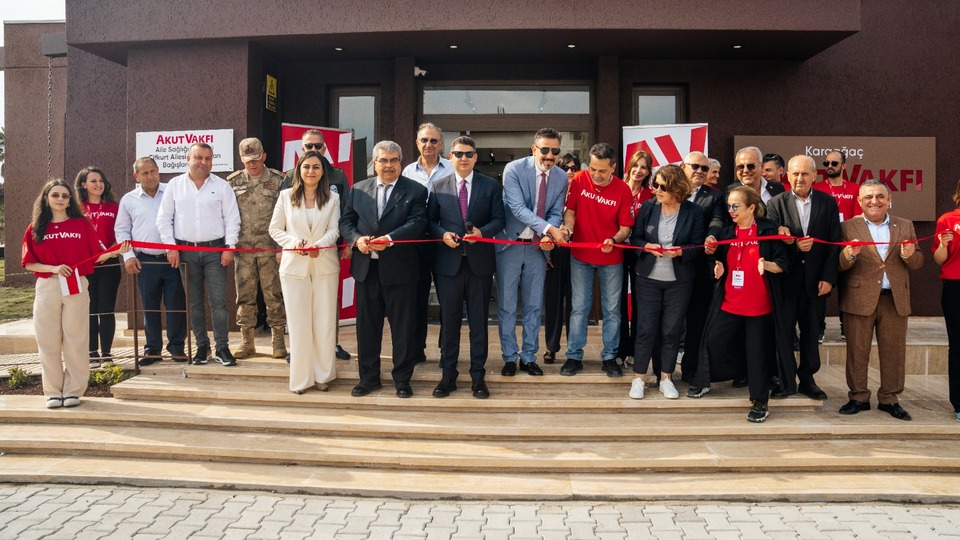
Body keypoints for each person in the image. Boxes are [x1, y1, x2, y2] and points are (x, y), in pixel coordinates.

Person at [22, 179, 129, 409]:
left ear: (70, 199)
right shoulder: (35, 228)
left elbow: (96, 255)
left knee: (76, 338)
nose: (61, 199)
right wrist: (52, 268)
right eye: (55, 195)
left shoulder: (82, 225)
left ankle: (73, 390)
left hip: (76, 284)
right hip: (48, 285)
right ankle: (52, 391)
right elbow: (30, 263)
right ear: (46, 199)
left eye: (65, 195)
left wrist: (115, 252)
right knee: (48, 340)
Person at [691, 186, 791, 423]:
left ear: (752, 208)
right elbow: (716, 260)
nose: (731, 210)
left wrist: (766, 266)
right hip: (729, 303)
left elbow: (783, 264)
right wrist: (718, 267)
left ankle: (759, 401)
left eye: (736, 206)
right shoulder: (727, 233)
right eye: (729, 206)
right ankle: (709, 380)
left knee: (757, 355)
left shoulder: (768, 231)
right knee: (712, 341)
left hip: (759, 307)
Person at [340, 140, 428, 398]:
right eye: (383, 160)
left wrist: (389, 240)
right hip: (367, 270)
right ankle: (368, 378)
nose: (388, 165)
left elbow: (418, 221)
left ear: (400, 163)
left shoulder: (416, 190)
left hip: (400, 270)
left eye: (394, 160)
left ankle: (402, 379)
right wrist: (356, 239)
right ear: (374, 163)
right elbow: (346, 221)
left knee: (403, 328)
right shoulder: (358, 189)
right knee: (367, 328)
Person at [426, 136, 505, 399]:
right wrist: (442, 235)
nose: (463, 158)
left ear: (475, 157)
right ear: (450, 156)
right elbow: (430, 222)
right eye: (458, 154)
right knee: (449, 323)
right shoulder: (438, 186)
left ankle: (478, 377)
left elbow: (499, 219)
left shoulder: (491, 186)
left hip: (479, 265)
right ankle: (448, 375)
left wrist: (482, 232)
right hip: (448, 265)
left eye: (468, 154)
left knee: (479, 323)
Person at [838, 179, 923, 421]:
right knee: (857, 351)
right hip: (859, 297)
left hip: (894, 299)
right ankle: (858, 397)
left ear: (889, 200)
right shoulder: (847, 227)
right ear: (859, 201)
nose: (874, 201)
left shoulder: (905, 225)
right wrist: (847, 255)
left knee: (894, 351)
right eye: (868, 197)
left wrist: (909, 255)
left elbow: (917, 261)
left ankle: (889, 399)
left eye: (879, 196)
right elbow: (838, 264)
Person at [157, 143, 242, 366]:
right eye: (199, 157)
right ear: (188, 158)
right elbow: (164, 219)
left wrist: (229, 246)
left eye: (208, 158)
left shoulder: (222, 186)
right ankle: (201, 346)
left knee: (219, 303)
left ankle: (222, 348)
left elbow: (232, 219)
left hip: (216, 252)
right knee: (194, 303)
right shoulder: (175, 185)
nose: (203, 162)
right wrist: (171, 247)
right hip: (187, 253)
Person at [766, 155, 841, 400]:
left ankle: (808, 380)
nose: (800, 178)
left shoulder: (828, 203)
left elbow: (834, 243)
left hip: (815, 282)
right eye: (795, 173)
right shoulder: (775, 204)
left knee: (811, 333)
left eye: (805, 173)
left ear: (814, 176)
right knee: (783, 333)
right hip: (785, 281)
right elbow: (771, 246)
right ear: (787, 175)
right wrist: (791, 244)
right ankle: (784, 380)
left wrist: (829, 278)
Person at [496, 128, 569, 377]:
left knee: (534, 306)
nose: (550, 155)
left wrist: (549, 234)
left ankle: (528, 357)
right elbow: (517, 208)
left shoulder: (560, 177)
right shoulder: (514, 169)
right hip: (510, 245)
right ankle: (508, 357)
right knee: (507, 305)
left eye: (555, 151)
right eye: (545, 149)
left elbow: (557, 211)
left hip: (539, 249)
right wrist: (549, 228)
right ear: (534, 148)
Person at [628, 164, 704, 399]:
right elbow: (636, 238)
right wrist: (646, 246)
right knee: (645, 329)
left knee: (671, 331)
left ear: (676, 188)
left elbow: (698, 244)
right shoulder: (649, 207)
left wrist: (681, 252)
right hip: (648, 278)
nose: (656, 190)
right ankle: (639, 378)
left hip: (679, 281)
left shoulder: (694, 212)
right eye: (655, 185)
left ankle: (666, 378)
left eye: (662, 186)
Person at [270, 150, 341, 394]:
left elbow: (334, 230)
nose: (311, 171)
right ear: (298, 170)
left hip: (324, 265)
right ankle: (301, 379)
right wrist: (294, 243)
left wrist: (317, 246)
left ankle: (323, 375)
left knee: (324, 322)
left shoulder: (332, 198)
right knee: (299, 324)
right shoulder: (285, 197)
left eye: (316, 167)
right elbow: (275, 229)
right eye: (306, 167)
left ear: (323, 172)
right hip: (294, 268)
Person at [561, 143, 634, 378]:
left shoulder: (623, 190)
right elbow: (570, 210)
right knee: (579, 308)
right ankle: (574, 356)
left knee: (612, 310)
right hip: (581, 256)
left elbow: (625, 228)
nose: (596, 175)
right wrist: (569, 228)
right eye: (593, 169)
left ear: (613, 167)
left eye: (602, 170)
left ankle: (610, 357)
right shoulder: (580, 179)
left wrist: (613, 239)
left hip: (611, 258)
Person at [281, 129, 352, 362]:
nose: (313, 150)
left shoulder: (339, 176)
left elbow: (345, 214)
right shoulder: (290, 176)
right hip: (297, 252)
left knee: (327, 303)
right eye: (308, 147)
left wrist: (347, 243)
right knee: (298, 304)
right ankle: (299, 349)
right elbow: (283, 218)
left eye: (318, 146)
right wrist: (285, 248)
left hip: (330, 249)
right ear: (302, 150)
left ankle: (331, 345)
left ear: (325, 149)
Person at [115, 157, 187, 364]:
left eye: (153, 171)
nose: (151, 176)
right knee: (150, 306)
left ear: (158, 171)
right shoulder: (129, 199)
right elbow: (121, 230)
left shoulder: (172, 193)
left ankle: (176, 347)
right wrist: (128, 256)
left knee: (176, 304)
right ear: (136, 176)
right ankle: (152, 349)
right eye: (145, 173)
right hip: (145, 261)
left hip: (172, 258)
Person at [227, 138, 287, 359]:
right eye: (247, 160)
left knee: (273, 295)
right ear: (241, 159)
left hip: (270, 250)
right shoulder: (232, 182)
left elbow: (286, 216)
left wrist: (282, 246)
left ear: (263, 156)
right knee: (245, 296)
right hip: (243, 252)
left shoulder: (279, 180)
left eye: (255, 159)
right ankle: (247, 340)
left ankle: (278, 340)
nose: (252, 164)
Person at [402, 123, 453, 365]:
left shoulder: (453, 169)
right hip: (416, 245)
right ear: (417, 143)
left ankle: (446, 350)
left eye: (434, 141)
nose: (429, 145)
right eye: (424, 140)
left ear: (441, 144)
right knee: (417, 299)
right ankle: (417, 348)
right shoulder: (406, 172)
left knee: (447, 300)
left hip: (446, 244)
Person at [73, 166, 121, 366]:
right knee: (90, 309)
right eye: (93, 181)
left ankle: (107, 353)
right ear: (83, 184)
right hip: (85, 265)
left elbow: (121, 233)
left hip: (109, 263)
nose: (98, 184)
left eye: (101, 180)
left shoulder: (113, 207)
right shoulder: (75, 208)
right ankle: (92, 353)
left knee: (106, 309)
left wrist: (108, 253)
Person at [681, 152, 721, 383]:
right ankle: (661, 371)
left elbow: (717, 220)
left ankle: (691, 370)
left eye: (704, 168)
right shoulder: (670, 190)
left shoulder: (715, 197)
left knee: (696, 323)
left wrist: (712, 236)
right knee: (669, 322)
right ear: (683, 166)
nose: (699, 171)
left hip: (699, 270)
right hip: (672, 267)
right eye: (695, 166)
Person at [813, 149, 861, 342]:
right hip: (824, 246)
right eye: (826, 164)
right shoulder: (816, 188)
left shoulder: (854, 189)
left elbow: (858, 218)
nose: (829, 167)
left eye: (834, 163)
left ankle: (845, 327)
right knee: (820, 288)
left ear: (844, 166)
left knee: (847, 288)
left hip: (846, 246)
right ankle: (818, 329)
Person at [616, 149, 654, 367]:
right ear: (629, 166)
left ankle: (636, 351)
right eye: (636, 166)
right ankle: (620, 350)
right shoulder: (617, 189)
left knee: (641, 302)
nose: (639, 171)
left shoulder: (650, 194)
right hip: (618, 250)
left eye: (644, 167)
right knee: (617, 301)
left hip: (641, 253)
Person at [542, 153, 578, 364]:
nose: (569, 172)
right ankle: (551, 347)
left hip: (577, 251)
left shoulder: (584, 192)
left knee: (576, 304)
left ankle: (573, 349)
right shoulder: (550, 190)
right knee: (553, 301)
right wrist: (545, 254)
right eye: (565, 168)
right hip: (553, 251)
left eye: (573, 168)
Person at [707, 146, 785, 239]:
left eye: (750, 166)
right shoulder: (730, 192)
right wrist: (712, 236)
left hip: (777, 246)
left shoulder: (777, 187)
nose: (745, 170)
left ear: (762, 166)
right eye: (740, 167)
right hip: (747, 245)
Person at [932, 180, 960, 423]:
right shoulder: (948, 219)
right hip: (955, 287)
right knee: (958, 345)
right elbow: (940, 259)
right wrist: (943, 245)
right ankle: (959, 403)